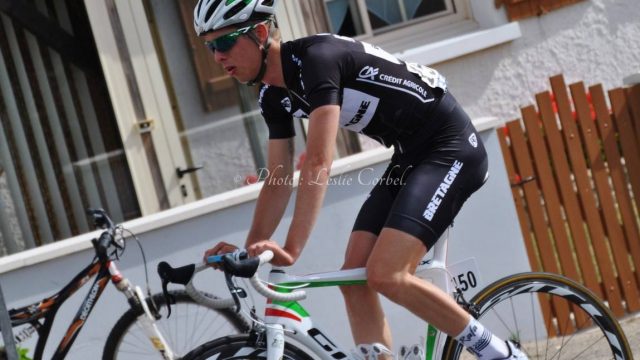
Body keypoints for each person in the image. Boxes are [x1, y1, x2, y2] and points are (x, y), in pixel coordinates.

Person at [195, 1, 527, 359]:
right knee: (354, 280)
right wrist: (253, 247)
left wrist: (290, 250)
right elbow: (277, 178)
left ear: (260, 33)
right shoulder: (271, 94)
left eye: (225, 43)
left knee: (386, 274)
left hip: (450, 149)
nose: (217, 56)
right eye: (210, 47)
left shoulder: (316, 60)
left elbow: (319, 162)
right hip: (410, 156)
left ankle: (500, 354)